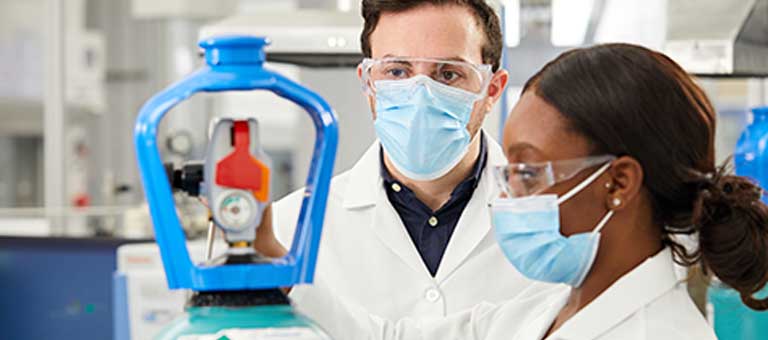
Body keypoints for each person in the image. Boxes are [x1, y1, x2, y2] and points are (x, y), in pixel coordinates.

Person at [289, 43, 768, 340]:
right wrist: (281, 269)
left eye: (529, 173)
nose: (508, 196)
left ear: (617, 184)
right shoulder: (549, 310)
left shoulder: (657, 333)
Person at [254, 0, 534, 321]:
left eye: (449, 73)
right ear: (368, 82)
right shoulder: (287, 230)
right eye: (397, 71)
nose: (421, 94)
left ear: (492, 89)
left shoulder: (552, 222)